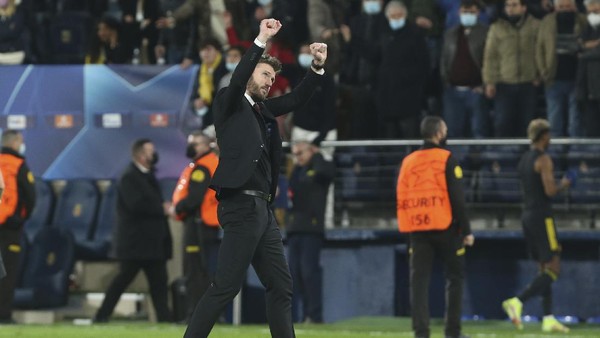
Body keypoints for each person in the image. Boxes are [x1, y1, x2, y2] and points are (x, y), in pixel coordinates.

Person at [183, 18, 327, 338]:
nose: (270, 82)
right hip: (240, 205)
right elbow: (236, 83)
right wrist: (261, 40)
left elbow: (294, 100)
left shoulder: (262, 111)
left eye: (273, 77)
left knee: (281, 287)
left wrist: (316, 68)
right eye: (265, 74)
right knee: (226, 287)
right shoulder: (229, 102)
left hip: (263, 210)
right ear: (249, 73)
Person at [396, 116, 474, 338]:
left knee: (419, 282)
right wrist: (467, 230)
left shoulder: (408, 161)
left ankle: (421, 332)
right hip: (446, 228)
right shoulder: (447, 158)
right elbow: (457, 198)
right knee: (455, 279)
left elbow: (402, 195)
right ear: (439, 133)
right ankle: (452, 332)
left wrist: (408, 226)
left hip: (418, 230)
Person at [501, 119, 570, 333]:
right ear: (544, 136)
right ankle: (517, 302)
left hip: (527, 215)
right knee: (554, 268)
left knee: (543, 267)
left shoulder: (524, 159)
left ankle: (548, 318)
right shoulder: (544, 159)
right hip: (542, 216)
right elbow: (549, 191)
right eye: (549, 134)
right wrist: (564, 184)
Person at [94, 139, 172, 323]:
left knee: (159, 283)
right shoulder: (129, 177)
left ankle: (165, 319)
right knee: (122, 280)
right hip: (136, 243)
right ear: (140, 155)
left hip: (152, 243)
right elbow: (136, 205)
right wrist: (161, 208)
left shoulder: (148, 175)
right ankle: (101, 316)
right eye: (150, 151)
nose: (154, 155)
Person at [171, 131, 220, 322]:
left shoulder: (202, 168)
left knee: (195, 271)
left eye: (196, 143)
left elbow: (194, 199)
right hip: (203, 224)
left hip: (198, 224)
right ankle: (203, 315)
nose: (192, 147)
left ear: (206, 145)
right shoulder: (204, 164)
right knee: (201, 270)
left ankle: (195, 315)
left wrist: (176, 208)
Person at [287, 140, 334, 324]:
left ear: (312, 151)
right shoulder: (297, 171)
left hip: (312, 229)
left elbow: (327, 172)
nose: (298, 158)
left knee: (309, 273)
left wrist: (317, 154)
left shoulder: (321, 166)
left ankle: (314, 316)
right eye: (295, 154)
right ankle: (297, 316)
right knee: (294, 275)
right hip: (294, 229)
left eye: (301, 153)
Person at [483, 0, 540, 137]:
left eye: (514, 5)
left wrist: (539, 75)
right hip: (504, 83)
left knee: (527, 124)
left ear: (523, 8)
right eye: (508, 6)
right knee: (503, 123)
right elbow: (490, 56)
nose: (510, 9)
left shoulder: (536, 26)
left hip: (528, 83)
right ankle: (501, 156)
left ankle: (527, 157)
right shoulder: (496, 28)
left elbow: (541, 51)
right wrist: (490, 81)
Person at [440, 0, 491, 138]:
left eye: (471, 12)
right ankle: (454, 160)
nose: (467, 15)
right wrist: (446, 81)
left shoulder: (486, 33)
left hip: (476, 90)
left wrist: (484, 84)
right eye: (464, 12)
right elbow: (444, 59)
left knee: (479, 130)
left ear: (478, 13)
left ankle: (480, 160)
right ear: (459, 12)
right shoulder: (450, 34)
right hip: (453, 91)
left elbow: (490, 60)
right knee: (453, 132)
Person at [536, 0, 586, 137]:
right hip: (553, 78)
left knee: (575, 121)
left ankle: (577, 154)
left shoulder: (583, 21)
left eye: (568, 6)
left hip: (577, 78)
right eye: (561, 7)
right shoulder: (547, 21)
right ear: (555, 8)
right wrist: (543, 71)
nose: (565, 9)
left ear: (574, 7)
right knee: (554, 120)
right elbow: (539, 48)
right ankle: (555, 152)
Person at [0, 130, 36, 323]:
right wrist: (20, 219)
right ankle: (3, 315)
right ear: (14, 143)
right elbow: (31, 197)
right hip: (9, 228)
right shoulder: (19, 165)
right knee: (7, 272)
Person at [576, 0, 600, 137]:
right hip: (588, 92)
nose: (592, 15)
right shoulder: (587, 28)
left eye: (596, 12)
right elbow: (576, 47)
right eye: (589, 12)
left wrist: (584, 52)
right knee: (591, 132)